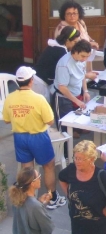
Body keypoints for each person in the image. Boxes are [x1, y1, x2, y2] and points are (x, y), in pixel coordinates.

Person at [2, 66, 66, 209]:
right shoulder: (39, 99)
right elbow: (50, 121)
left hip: (19, 137)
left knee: (27, 169)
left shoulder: (10, 98)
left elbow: (6, 120)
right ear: (31, 81)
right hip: (38, 137)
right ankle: (53, 197)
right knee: (48, 166)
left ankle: (28, 199)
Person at [59, 140, 106, 234]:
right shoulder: (71, 169)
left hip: (100, 228)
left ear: (92, 159)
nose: (77, 162)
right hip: (78, 226)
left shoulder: (101, 175)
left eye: (81, 159)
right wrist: (69, 195)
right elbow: (61, 178)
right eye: (75, 158)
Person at [32, 26, 81, 102]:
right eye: (75, 42)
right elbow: (68, 70)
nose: (76, 45)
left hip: (39, 80)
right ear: (67, 40)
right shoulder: (61, 52)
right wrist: (87, 75)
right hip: (39, 83)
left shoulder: (55, 47)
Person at [53, 40, 92, 128]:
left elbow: (82, 76)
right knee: (64, 127)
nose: (85, 59)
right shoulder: (65, 64)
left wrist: (85, 91)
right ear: (75, 52)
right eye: (83, 56)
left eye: (87, 57)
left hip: (76, 95)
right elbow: (62, 87)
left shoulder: (81, 61)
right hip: (63, 98)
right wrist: (77, 101)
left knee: (76, 124)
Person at [9, 167, 54, 234]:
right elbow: (48, 228)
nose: (40, 178)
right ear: (32, 183)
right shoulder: (36, 206)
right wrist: (40, 205)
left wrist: (40, 202)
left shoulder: (16, 198)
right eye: (38, 176)